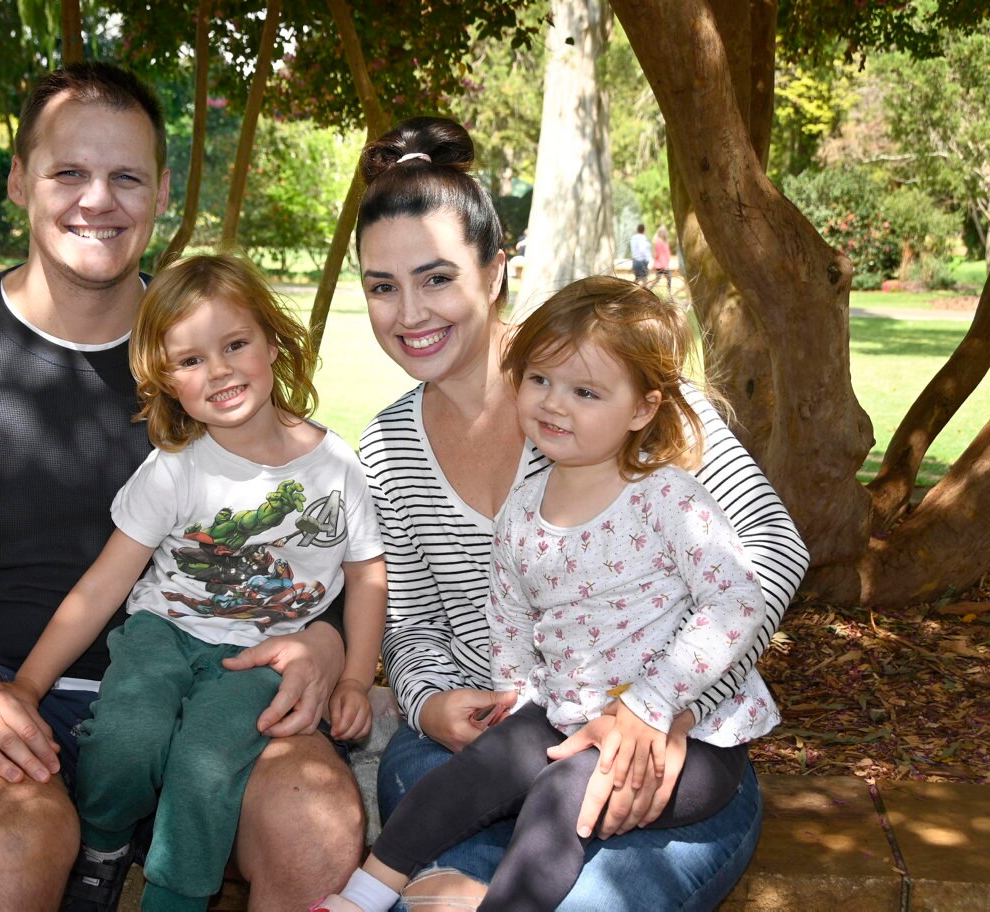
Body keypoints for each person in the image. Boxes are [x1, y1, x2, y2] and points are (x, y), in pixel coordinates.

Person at [0, 63, 363, 912]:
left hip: (224, 684)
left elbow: (310, 534)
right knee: (18, 838)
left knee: (314, 819)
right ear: (21, 178)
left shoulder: (212, 361)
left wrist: (324, 641)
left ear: (163, 191)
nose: (96, 199)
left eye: (126, 176)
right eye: (69, 171)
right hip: (4, 697)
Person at [351, 116, 810, 911]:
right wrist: (429, 702)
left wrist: (662, 708)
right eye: (381, 287)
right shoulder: (388, 445)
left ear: (495, 271)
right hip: (487, 754)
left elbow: (771, 548)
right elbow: (413, 626)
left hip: (665, 749)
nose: (409, 313)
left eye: (436, 278)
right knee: (442, 879)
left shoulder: (606, 376)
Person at [317, 278, 778, 912]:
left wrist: (655, 704)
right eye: (540, 382)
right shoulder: (524, 511)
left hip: (693, 740)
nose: (555, 405)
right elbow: (507, 611)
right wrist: (519, 697)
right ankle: (359, 898)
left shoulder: (667, 497)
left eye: (585, 392)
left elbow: (737, 603)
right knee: (470, 775)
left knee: (561, 796)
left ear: (642, 409)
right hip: (565, 713)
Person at [0, 253, 386, 911]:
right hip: (163, 634)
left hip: (263, 657)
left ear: (273, 342)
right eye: (189, 361)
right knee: (127, 738)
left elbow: (367, 576)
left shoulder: (337, 468)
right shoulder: (176, 467)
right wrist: (28, 685)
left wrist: (354, 676)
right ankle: (101, 847)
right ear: (165, 380)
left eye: (235, 344)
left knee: (206, 764)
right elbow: (101, 587)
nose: (218, 371)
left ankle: (174, 896)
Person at [651, 225, 673, 295]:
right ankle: (669, 293)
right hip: (661, 265)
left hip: (662, 264)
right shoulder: (659, 242)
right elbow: (657, 254)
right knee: (668, 277)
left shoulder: (663, 242)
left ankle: (650, 288)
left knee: (659, 279)